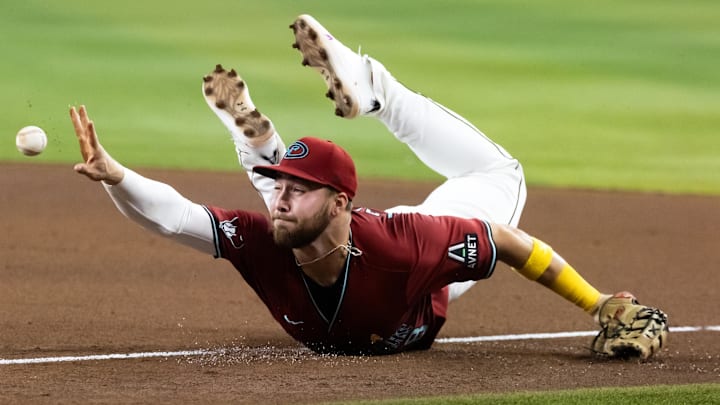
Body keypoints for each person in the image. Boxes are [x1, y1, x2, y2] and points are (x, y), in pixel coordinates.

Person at [70, 14, 667, 358]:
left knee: (496, 179)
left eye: (297, 186)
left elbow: (506, 242)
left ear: (342, 201)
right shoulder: (266, 233)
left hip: (411, 271)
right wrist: (116, 175)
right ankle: (304, 125)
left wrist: (599, 303)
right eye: (279, 184)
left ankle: (353, 95)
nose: (280, 196)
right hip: (350, 241)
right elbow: (174, 217)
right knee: (284, 223)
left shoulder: (407, 245)